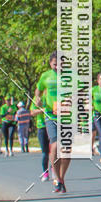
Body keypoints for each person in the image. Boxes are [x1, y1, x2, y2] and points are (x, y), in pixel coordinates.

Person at [34, 51, 71, 193]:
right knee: (55, 145)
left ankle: (61, 177)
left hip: (68, 116)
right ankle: (56, 176)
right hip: (51, 115)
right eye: (55, 64)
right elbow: (38, 90)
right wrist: (37, 98)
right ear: (51, 64)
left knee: (67, 151)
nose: (58, 67)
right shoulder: (45, 76)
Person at [32, 107, 50, 180]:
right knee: (45, 152)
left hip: (53, 126)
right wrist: (42, 110)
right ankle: (45, 172)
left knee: (54, 151)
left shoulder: (53, 95)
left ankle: (56, 173)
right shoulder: (37, 98)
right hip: (42, 127)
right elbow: (32, 113)